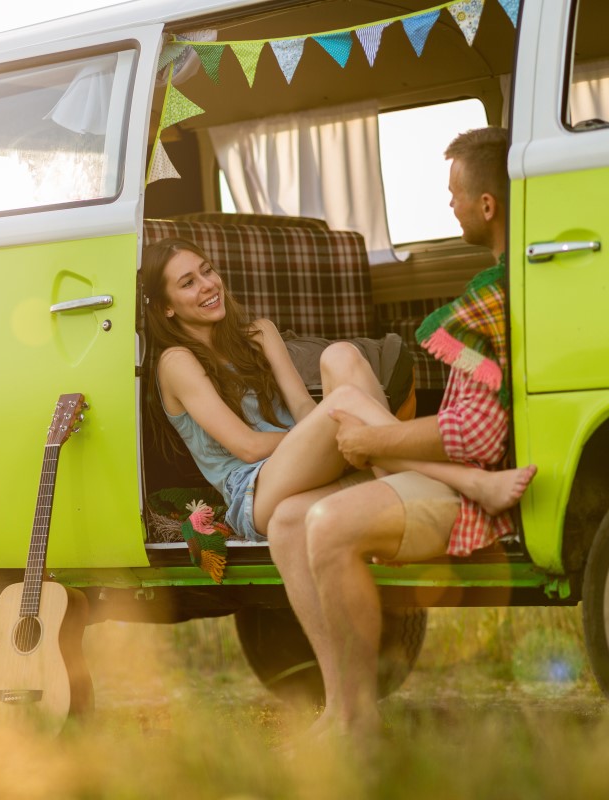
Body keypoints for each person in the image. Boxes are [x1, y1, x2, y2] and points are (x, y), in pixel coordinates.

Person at [267, 126, 536, 744]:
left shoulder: (489, 302)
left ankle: (357, 721)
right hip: (454, 473)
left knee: (328, 518)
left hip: (478, 492)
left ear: (486, 206)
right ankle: (341, 706)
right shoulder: (495, 288)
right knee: (285, 519)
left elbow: (474, 435)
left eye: (453, 194)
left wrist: (375, 443)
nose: (450, 204)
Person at [141, 225, 532, 550]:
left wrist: (326, 429)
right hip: (256, 492)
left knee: (340, 355)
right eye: (188, 283)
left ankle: (392, 467)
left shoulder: (259, 333)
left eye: (207, 271)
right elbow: (245, 446)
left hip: (305, 465)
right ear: (166, 307)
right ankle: (466, 479)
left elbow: (302, 408)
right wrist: (330, 430)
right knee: (342, 405)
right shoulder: (176, 363)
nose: (208, 285)